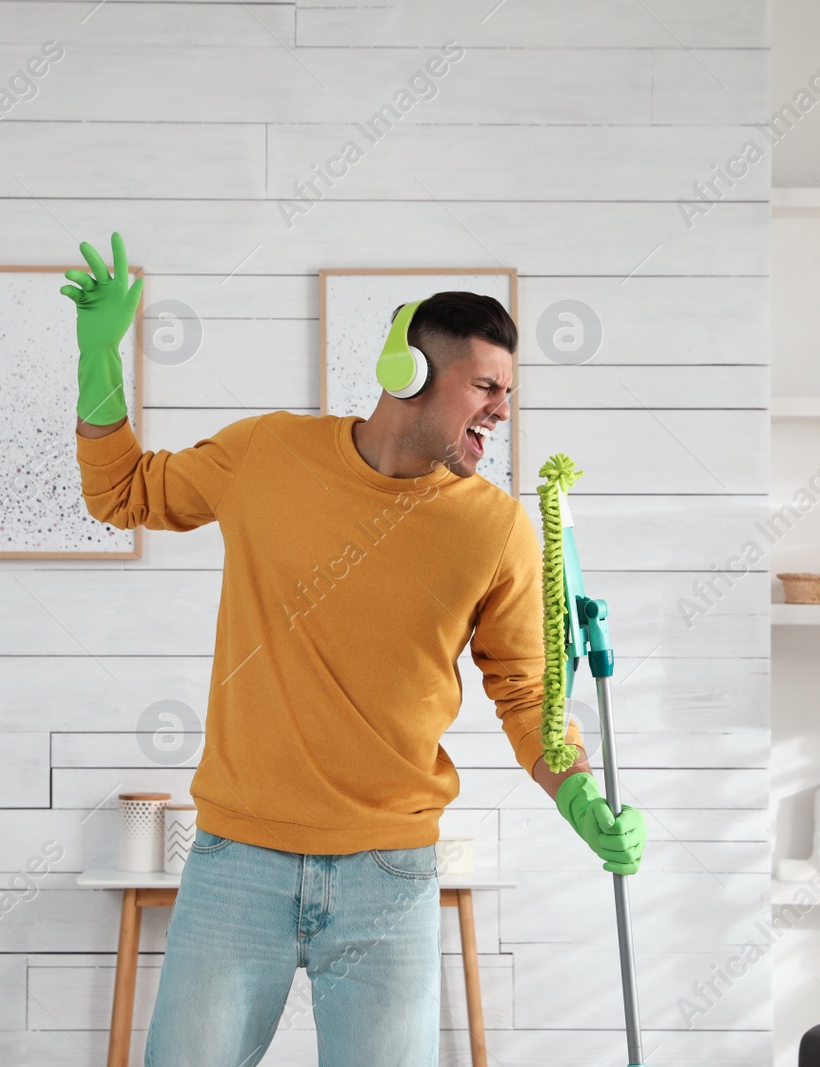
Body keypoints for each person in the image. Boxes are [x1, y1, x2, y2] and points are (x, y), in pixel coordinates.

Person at [63, 233, 645, 1066]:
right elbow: (121, 492)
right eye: (485, 385)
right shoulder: (268, 453)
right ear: (410, 372)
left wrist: (581, 795)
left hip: (390, 875)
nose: (503, 411)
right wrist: (98, 354)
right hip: (238, 861)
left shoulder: (497, 527)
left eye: (509, 392)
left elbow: (526, 694)